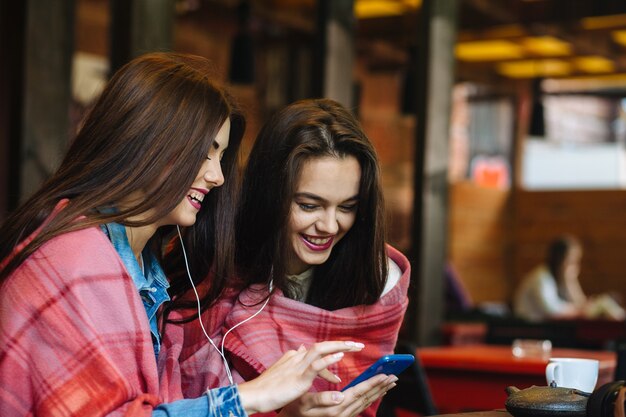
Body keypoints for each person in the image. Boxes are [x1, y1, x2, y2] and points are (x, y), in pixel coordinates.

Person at [0, 53, 377, 417]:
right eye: (204, 154)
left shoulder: (146, 270)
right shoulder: (77, 261)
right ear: (143, 143)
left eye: (347, 207)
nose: (218, 177)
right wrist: (248, 397)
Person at [198, 98, 410, 417]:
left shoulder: (378, 279)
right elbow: (187, 400)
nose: (328, 226)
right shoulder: (212, 270)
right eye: (309, 206)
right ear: (270, 194)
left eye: (347, 207)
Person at [513, 235, 625, 322]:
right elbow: (552, 311)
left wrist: (571, 281)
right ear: (559, 259)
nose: (573, 266)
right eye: (570, 261)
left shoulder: (559, 278)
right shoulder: (541, 277)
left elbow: (580, 303)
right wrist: (579, 310)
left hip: (550, 329)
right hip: (529, 328)